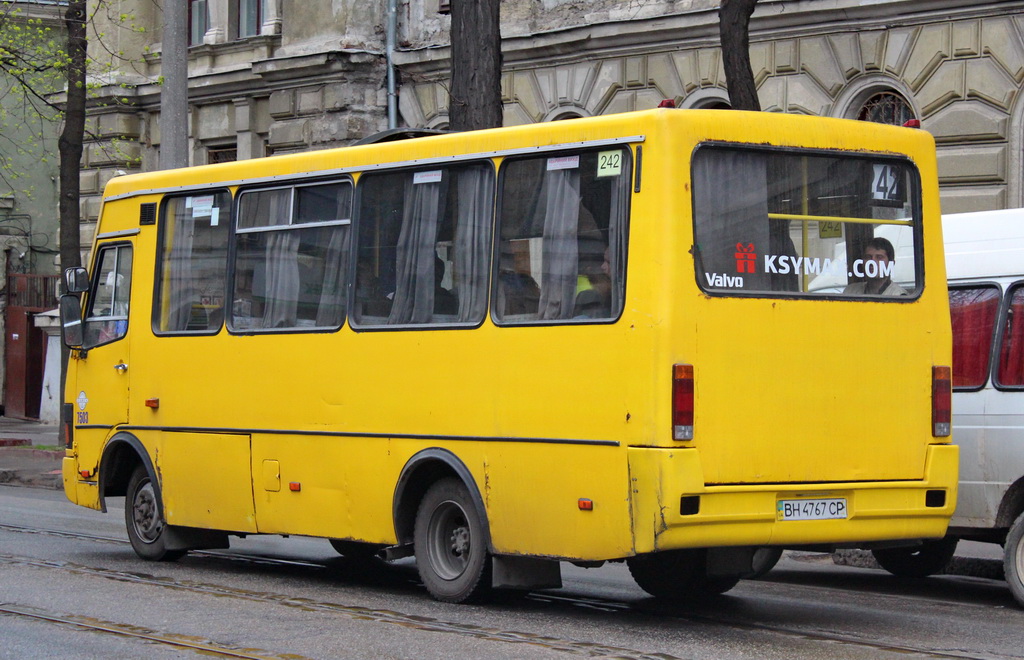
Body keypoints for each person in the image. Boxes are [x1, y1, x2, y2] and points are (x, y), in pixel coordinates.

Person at [843, 236, 908, 296]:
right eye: (868, 257)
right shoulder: (850, 291)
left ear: (891, 263)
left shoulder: (899, 295)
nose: (872, 262)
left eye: (879, 257)